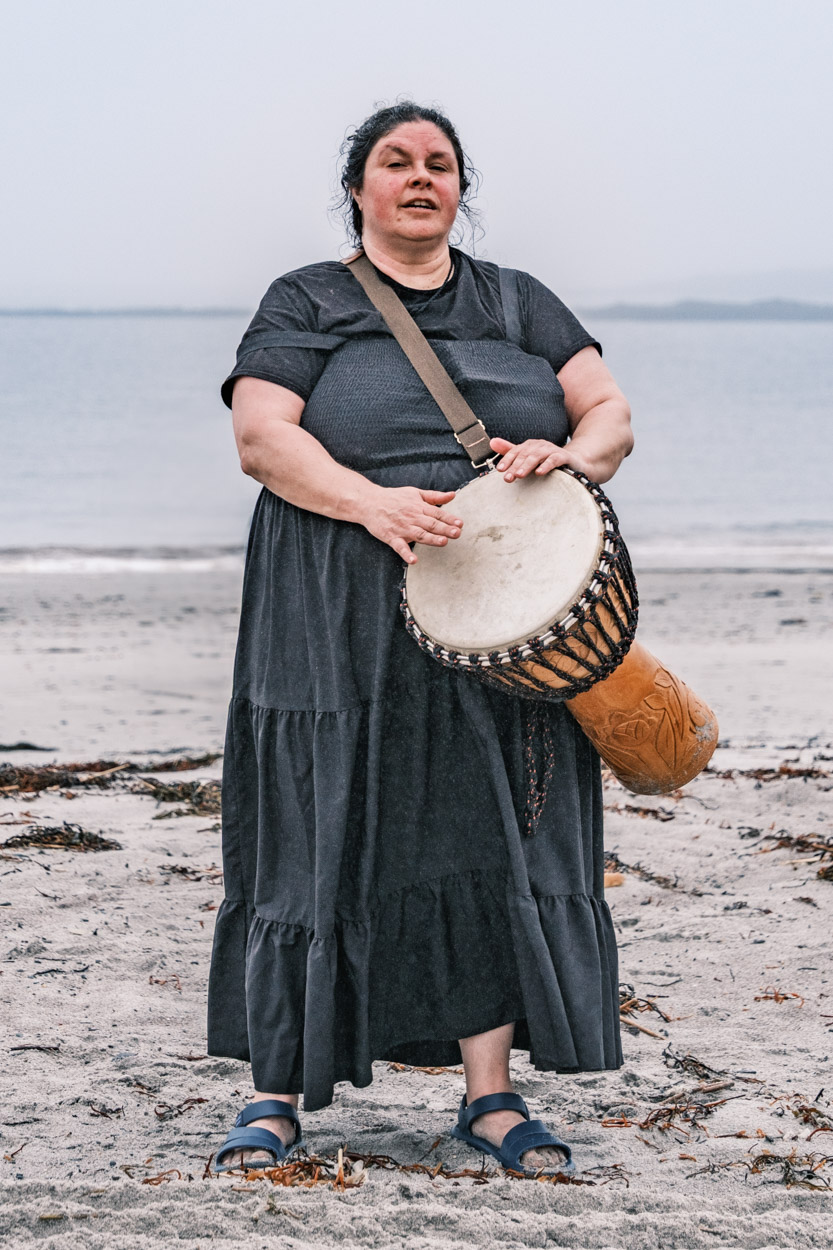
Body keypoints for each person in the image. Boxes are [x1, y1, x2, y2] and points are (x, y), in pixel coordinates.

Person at [207, 102, 633, 1176]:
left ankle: (489, 1100)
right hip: (332, 602)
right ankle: (273, 1094)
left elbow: (609, 415)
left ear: (459, 189)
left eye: (438, 164)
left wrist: (567, 455)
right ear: (359, 188)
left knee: (487, 830)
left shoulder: (516, 300)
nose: (419, 177)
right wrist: (372, 504)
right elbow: (261, 437)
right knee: (315, 824)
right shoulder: (307, 298)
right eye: (395, 162)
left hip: (499, 612)